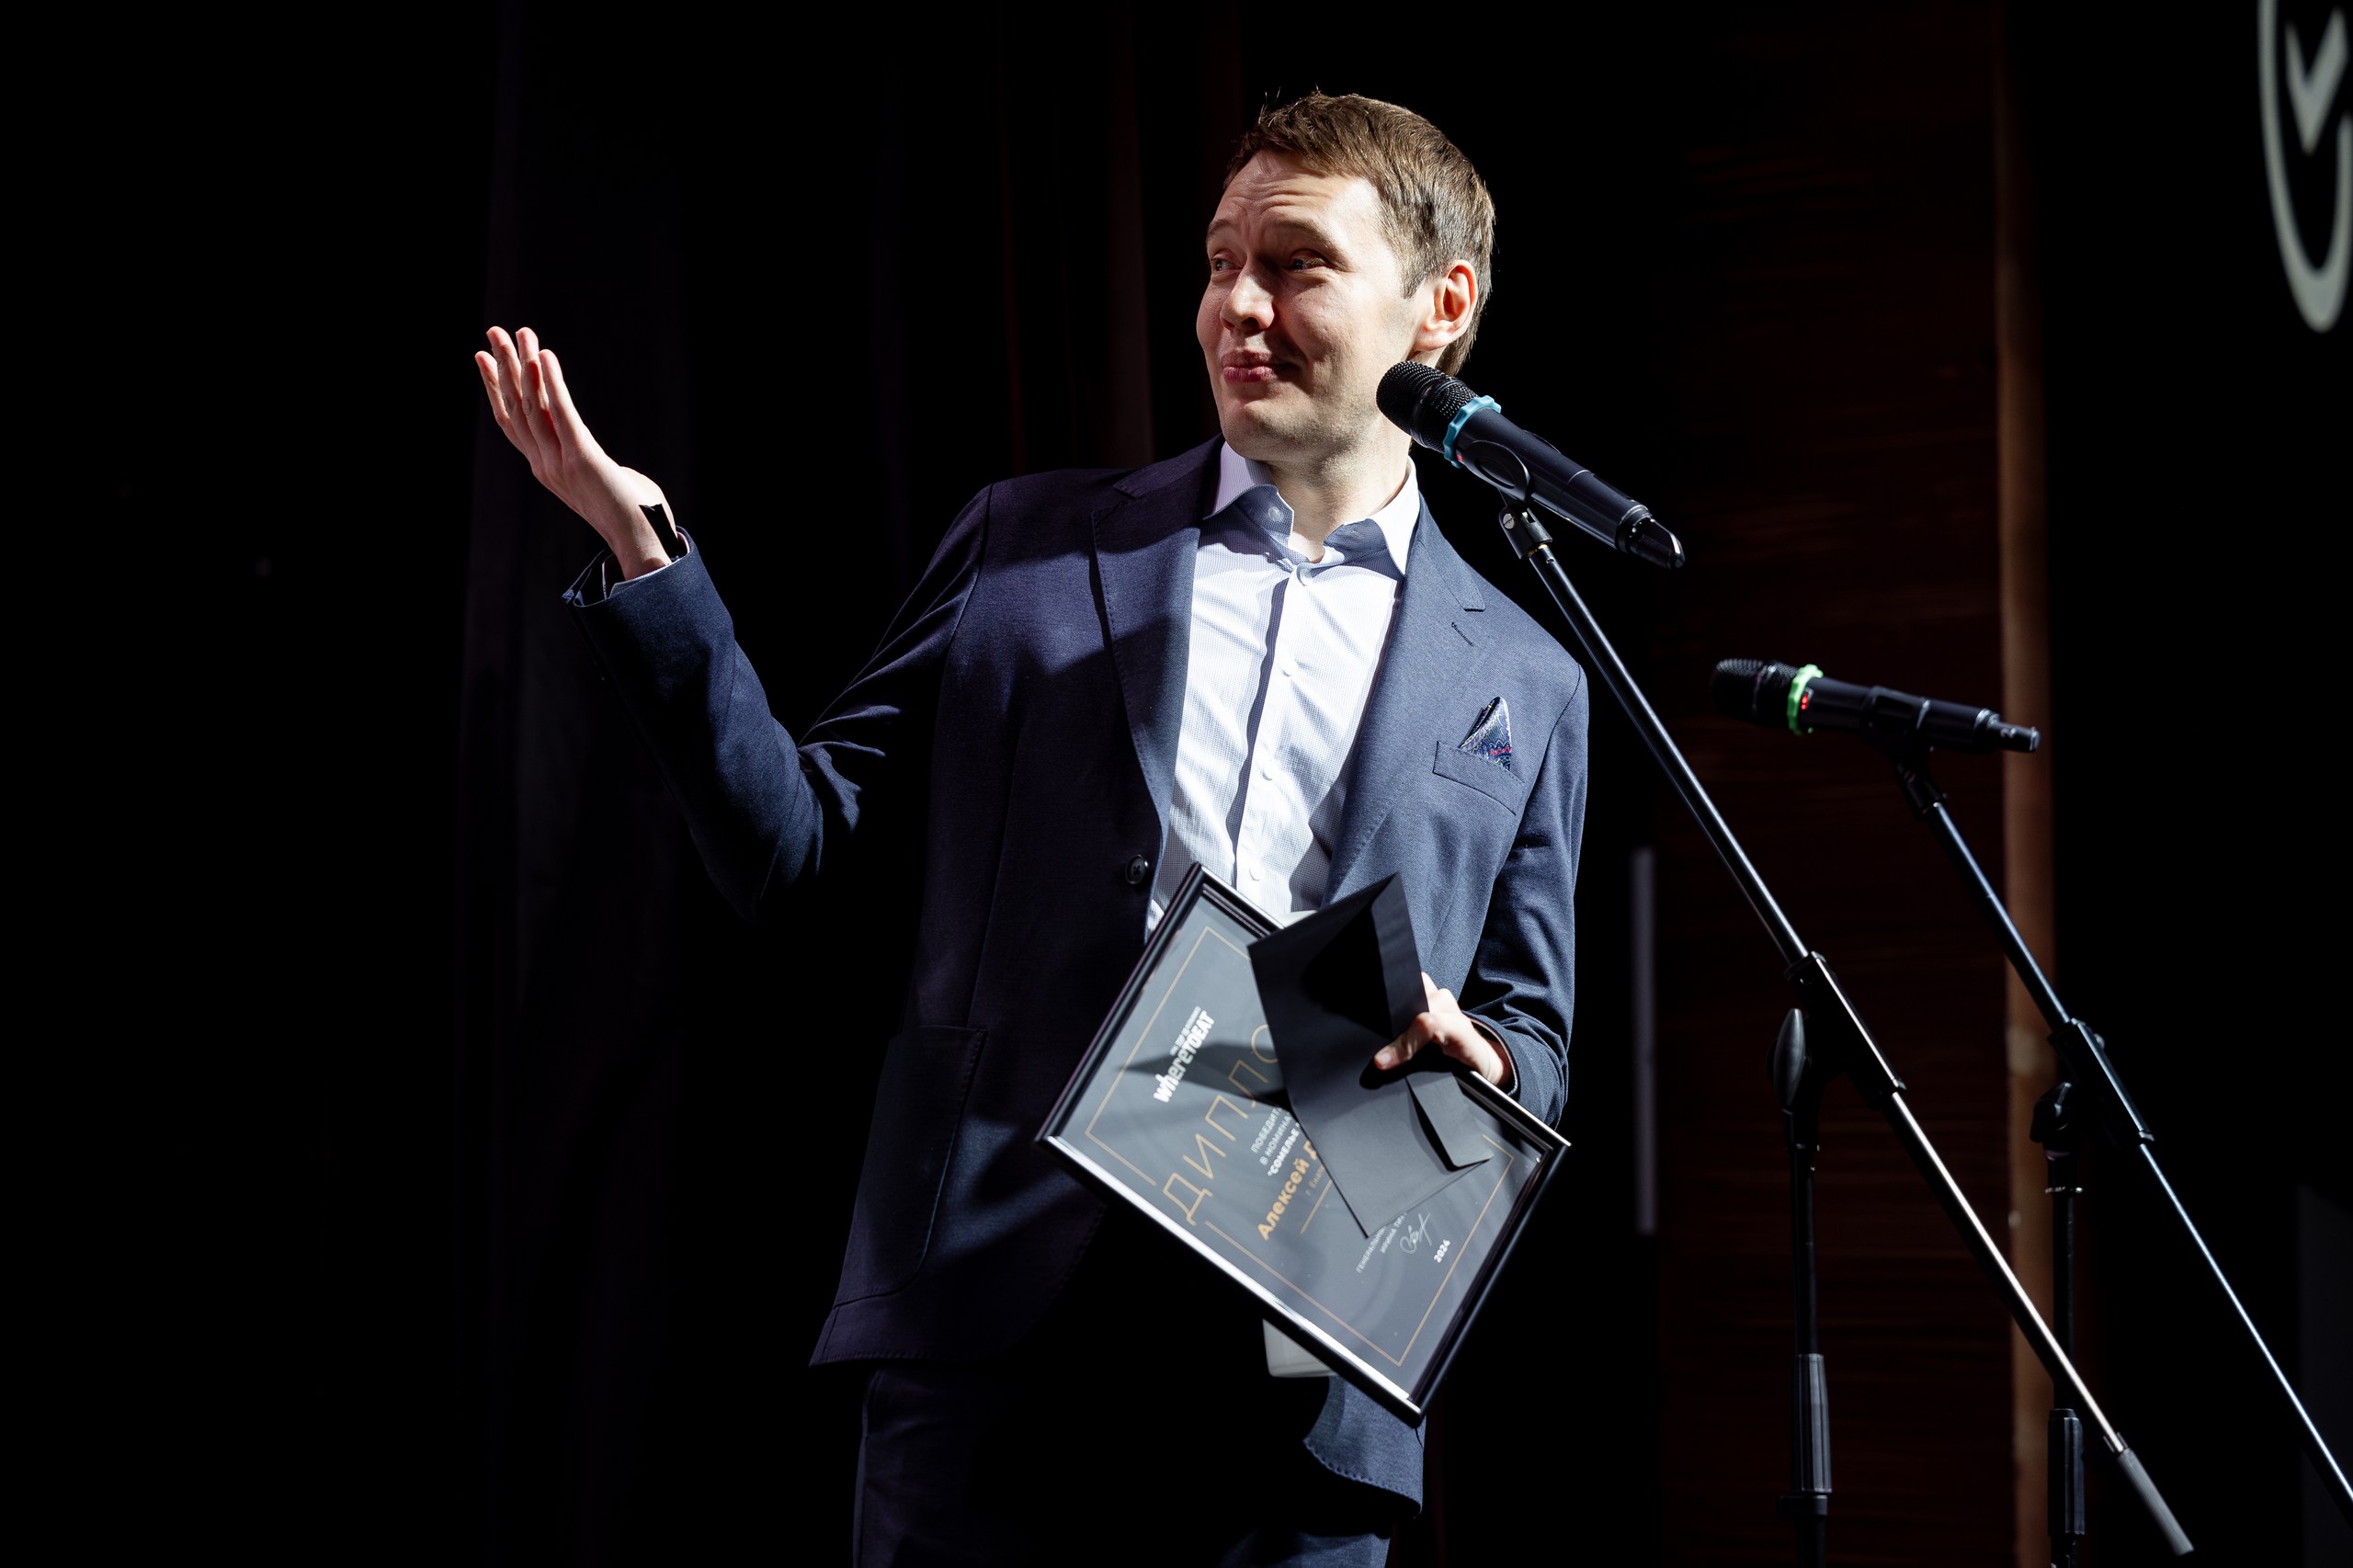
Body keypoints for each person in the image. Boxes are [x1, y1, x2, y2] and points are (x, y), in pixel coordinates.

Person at [474, 93, 1588, 1566]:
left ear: (1439, 308)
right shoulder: (1034, 544)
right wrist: (646, 558)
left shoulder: (1526, 673)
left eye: (1297, 264)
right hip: (997, 1321)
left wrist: (1481, 1057)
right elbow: (798, 859)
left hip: (1301, 1373)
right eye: (1219, 262)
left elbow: (1533, 1029)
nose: (1238, 307)